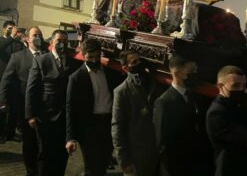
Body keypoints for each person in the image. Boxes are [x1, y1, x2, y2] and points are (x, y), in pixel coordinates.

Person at [25, 29, 82, 176]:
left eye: (65, 41)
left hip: (65, 118)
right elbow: (31, 89)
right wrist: (30, 115)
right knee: (45, 154)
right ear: (51, 43)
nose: (62, 44)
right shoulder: (41, 60)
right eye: (59, 41)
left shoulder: (73, 63)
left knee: (62, 155)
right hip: (46, 117)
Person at [65, 38, 122, 176]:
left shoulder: (110, 73)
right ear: (83, 56)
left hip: (108, 124)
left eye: (97, 57)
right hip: (89, 128)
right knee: (91, 166)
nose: (94, 60)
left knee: (103, 163)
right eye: (90, 57)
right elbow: (70, 108)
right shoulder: (76, 78)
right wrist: (70, 138)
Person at [153, 55, 213, 176]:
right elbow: (162, 142)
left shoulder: (194, 96)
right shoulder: (164, 102)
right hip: (177, 167)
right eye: (191, 71)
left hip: (195, 164)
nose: (195, 74)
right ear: (177, 73)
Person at [0, 27, 46, 175]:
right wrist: (3, 101)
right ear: (27, 39)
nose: (38, 37)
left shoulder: (47, 56)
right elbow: (5, 81)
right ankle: (31, 171)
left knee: (43, 143)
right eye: (35, 35)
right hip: (24, 107)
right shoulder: (17, 57)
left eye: (40, 35)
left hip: (45, 107)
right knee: (29, 142)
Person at [112, 50, 164, 176]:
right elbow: (117, 127)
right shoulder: (122, 91)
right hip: (137, 156)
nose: (139, 64)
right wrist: (124, 161)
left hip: (156, 152)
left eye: (140, 60)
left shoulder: (152, 82)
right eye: (134, 62)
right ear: (125, 68)